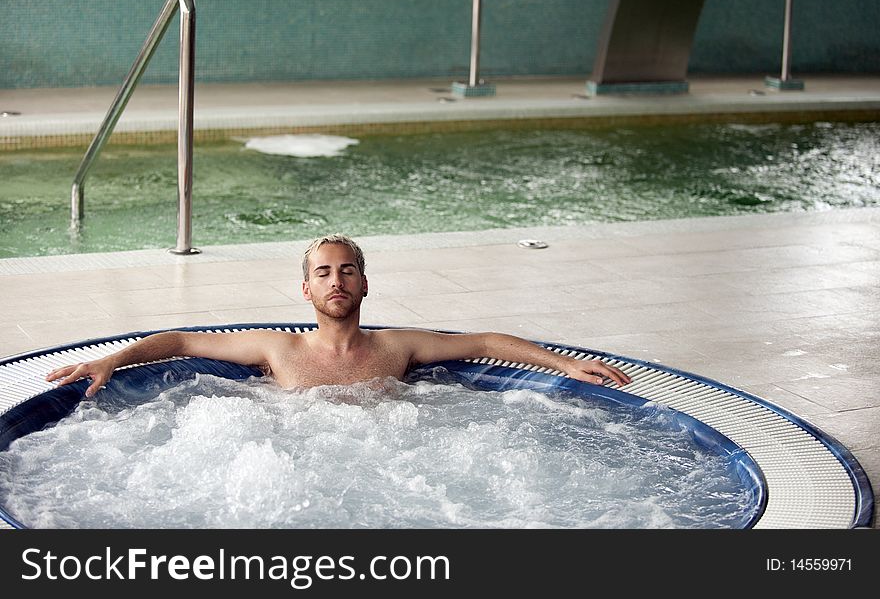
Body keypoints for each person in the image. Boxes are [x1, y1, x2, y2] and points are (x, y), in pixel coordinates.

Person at [46, 234, 631, 397]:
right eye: (323, 273)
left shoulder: (398, 346)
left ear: (364, 283)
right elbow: (181, 341)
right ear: (306, 290)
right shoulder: (279, 350)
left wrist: (566, 365)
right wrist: (109, 361)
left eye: (347, 270)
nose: (336, 281)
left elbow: (483, 340)